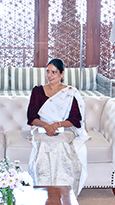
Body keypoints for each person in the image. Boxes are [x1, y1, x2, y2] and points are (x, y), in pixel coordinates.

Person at [27, 59, 90, 195]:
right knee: (44, 143)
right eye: (48, 72)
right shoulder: (38, 91)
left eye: (54, 72)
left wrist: (57, 125)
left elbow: (74, 119)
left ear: (62, 74)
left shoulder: (70, 92)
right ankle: (43, 189)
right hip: (42, 127)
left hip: (65, 127)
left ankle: (64, 191)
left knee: (60, 143)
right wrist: (46, 126)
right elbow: (31, 117)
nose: (50, 75)